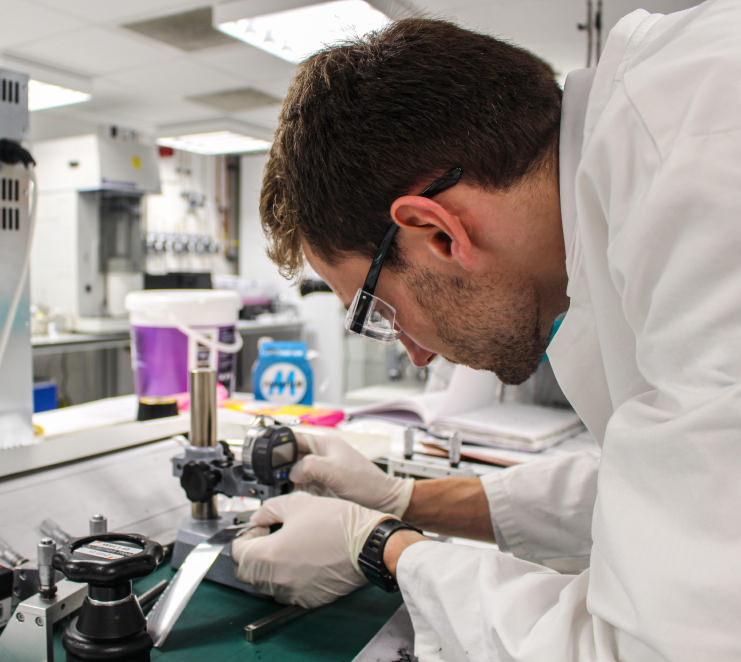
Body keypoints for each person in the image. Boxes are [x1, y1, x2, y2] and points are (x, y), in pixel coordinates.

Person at [231, 1, 741, 659]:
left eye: (379, 312)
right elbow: (676, 500)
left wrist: (385, 548)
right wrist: (402, 498)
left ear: (438, 233)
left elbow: (659, 648)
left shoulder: (696, 173)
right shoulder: (658, 139)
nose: (415, 355)